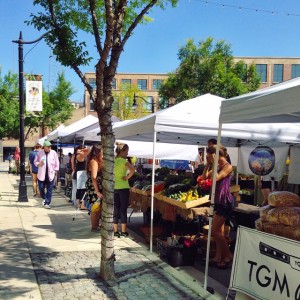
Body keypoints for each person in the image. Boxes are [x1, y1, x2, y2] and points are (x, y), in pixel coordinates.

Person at [202, 145, 233, 269]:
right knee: (218, 231)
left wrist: (214, 164)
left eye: (211, 157)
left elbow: (215, 178)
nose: (210, 159)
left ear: (217, 155)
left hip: (225, 202)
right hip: (218, 201)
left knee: (214, 231)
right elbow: (205, 177)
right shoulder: (218, 166)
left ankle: (228, 255)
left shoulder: (228, 167)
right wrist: (208, 164)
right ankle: (219, 257)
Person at [113, 143, 135, 238]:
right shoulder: (123, 161)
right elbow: (133, 170)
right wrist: (127, 177)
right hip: (123, 187)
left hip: (115, 187)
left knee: (116, 208)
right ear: (122, 151)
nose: (127, 153)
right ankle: (123, 231)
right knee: (123, 209)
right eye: (126, 151)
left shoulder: (114, 161)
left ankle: (115, 231)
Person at [34, 140, 59, 209]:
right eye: (48, 146)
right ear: (44, 147)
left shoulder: (53, 153)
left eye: (50, 146)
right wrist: (39, 164)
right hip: (42, 174)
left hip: (51, 174)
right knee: (41, 188)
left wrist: (56, 170)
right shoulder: (39, 153)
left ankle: (47, 203)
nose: (49, 147)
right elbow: (35, 162)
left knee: (50, 190)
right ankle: (44, 198)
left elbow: (57, 162)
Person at [85, 145, 103, 232]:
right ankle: (94, 226)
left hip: (95, 185)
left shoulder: (94, 161)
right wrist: (97, 191)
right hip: (94, 186)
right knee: (95, 207)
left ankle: (95, 225)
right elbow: (94, 177)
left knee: (97, 207)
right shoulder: (94, 162)